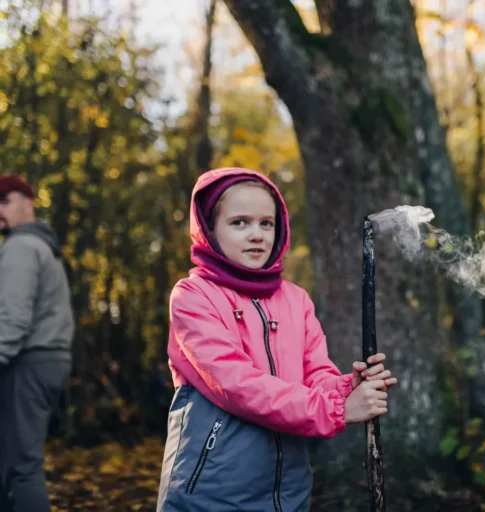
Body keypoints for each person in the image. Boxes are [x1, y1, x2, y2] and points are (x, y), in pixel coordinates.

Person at [156, 168, 397, 511]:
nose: (256, 234)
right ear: (209, 230)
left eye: (266, 223)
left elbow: (316, 374)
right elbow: (237, 385)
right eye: (239, 222)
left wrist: (346, 388)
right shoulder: (193, 296)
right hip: (211, 491)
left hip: (288, 492)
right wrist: (336, 410)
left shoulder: (296, 300)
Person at [0, 175, 74, 512]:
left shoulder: (21, 247)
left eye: (4, 202)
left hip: (28, 362)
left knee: (22, 468)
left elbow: (13, 319)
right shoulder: (46, 247)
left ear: (28, 202)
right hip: (48, 361)